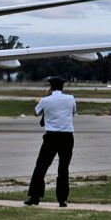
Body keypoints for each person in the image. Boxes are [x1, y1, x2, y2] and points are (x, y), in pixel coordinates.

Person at [24, 76, 76, 207]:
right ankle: (62, 199)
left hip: (51, 137)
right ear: (63, 87)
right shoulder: (70, 99)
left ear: (51, 87)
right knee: (63, 169)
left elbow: (36, 112)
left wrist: (46, 96)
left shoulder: (45, 100)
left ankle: (35, 197)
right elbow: (73, 112)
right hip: (67, 137)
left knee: (41, 167)